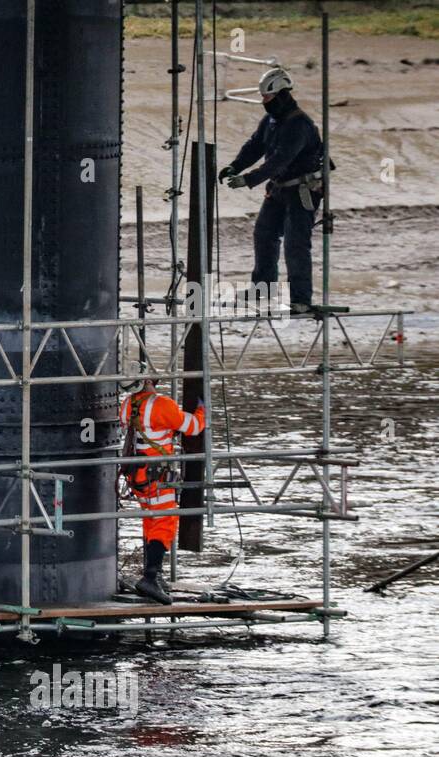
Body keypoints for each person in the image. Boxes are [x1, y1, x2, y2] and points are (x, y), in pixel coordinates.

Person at [218, 67, 325, 314]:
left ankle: (301, 298)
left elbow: (280, 160)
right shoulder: (271, 121)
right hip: (278, 189)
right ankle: (263, 287)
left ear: (282, 95)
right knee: (264, 234)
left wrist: (248, 180)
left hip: (302, 191)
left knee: (295, 244)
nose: (264, 102)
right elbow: (255, 146)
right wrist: (235, 165)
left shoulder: (300, 125)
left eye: (268, 97)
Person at [119, 366, 207, 605]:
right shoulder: (161, 404)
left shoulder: (127, 406)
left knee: (150, 520)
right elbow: (193, 427)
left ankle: (154, 576)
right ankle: (150, 576)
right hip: (156, 476)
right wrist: (202, 410)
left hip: (137, 477)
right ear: (147, 380)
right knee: (165, 521)